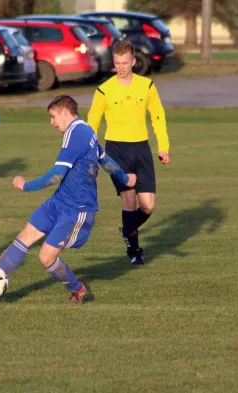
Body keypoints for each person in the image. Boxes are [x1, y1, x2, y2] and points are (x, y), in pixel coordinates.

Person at [0, 95, 136, 303]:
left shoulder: (75, 134)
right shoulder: (87, 131)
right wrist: (125, 178)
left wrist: (26, 185)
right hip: (59, 202)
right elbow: (105, 160)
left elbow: (57, 174)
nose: (52, 123)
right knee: (25, 236)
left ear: (65, 113)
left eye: (53, 116)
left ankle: (78, 288)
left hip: (77, 209)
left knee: (46, 257)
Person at [87, 40, 169, 266]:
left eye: (125, 63)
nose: (121, 67)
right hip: (116, 149)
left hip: (141, 148)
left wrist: (163, 146)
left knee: (148, 206)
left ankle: (128, 229)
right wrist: (91, 152)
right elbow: (92, 123)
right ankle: (135, 250)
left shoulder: (147, 86)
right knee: (129, 197)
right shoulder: (104, 90)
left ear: (133, 62)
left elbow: (158, 116)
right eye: (117, 63)